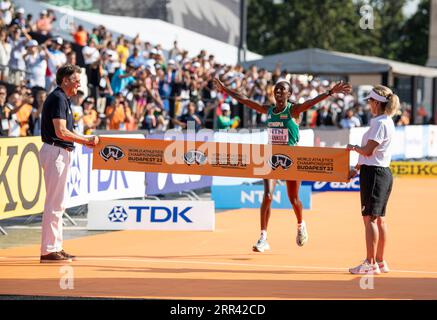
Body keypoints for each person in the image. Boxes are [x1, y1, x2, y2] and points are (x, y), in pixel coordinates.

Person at [214, 77, 351, 252]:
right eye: (276, 90)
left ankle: (301, 224)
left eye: (282, 90)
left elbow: (311, 102)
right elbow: (244, 99)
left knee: (293, 199)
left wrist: (330, 92)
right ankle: (263, 237)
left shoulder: (294, 110)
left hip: (291, 160)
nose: (278, 92)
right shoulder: (268, 110)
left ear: (289, 94)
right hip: (272, 158)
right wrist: (225, 89)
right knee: (268, 196)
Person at [39, 64, 99, 263]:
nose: (78, 85)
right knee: (54, 203)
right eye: (76, 81)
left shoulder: (62, 98)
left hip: (59, 151)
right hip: (56, 150)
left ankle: (55, 246)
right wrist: (86, 141)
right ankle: (49, 249)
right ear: (65, 80)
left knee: (58, 203)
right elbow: (61, 131)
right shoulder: (58, 98)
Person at [347, 85, 399, 275]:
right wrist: (356, 169)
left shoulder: (379, 123)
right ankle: (380, 261)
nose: (368, 103)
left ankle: (370, 263)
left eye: (370, 100)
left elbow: (367, 151)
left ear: (376, 102)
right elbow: (370, 153)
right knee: (379, 220)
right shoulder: (385, 121)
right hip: (381, 172)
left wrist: (353, 147)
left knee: (369, 219)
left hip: (374, 174)